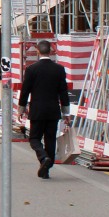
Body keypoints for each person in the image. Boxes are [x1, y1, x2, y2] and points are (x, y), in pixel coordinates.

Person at [18, 39, 71, 179]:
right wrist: (66, 113)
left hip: (37, 110)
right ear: (51, 51)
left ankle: (43, 158)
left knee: (34, 138)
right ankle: (47, 167)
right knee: (50, 139)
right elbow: (63, 92)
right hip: (53, 110)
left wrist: (21, 109)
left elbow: (25, 91)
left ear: (37, 51)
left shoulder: (31, 69)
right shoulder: (59, 69)